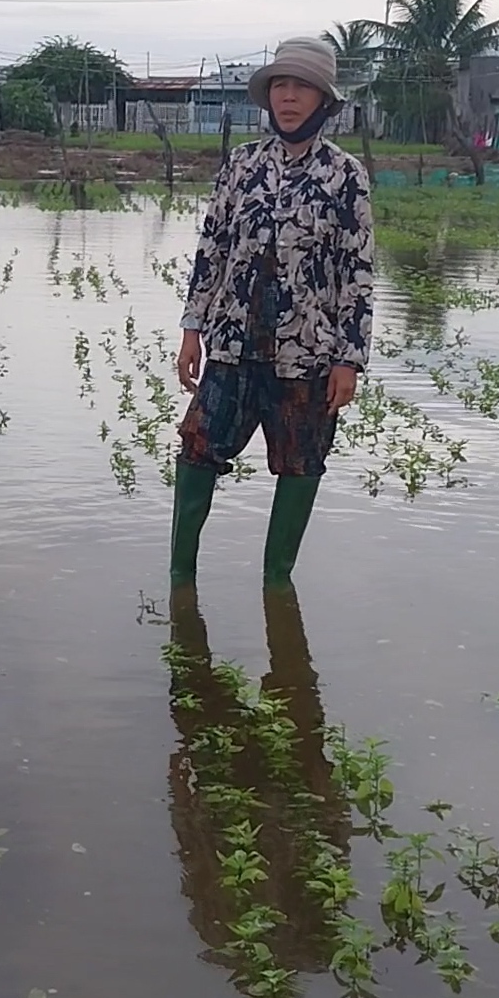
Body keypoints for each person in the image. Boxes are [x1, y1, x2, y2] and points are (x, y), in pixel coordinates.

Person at [171, 35, 374, 590]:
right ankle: (180, 580)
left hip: (307, 355)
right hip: (233, 346)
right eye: (280, 86)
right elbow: (211, 250)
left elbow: (357, 275)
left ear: (323, 100)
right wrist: (193, 328)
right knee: (196, 451)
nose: (288, 97)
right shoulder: (241, 166)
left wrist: (349, 360)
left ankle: (276, 585)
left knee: (301, 464)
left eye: (301, 87)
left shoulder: (346, 176)